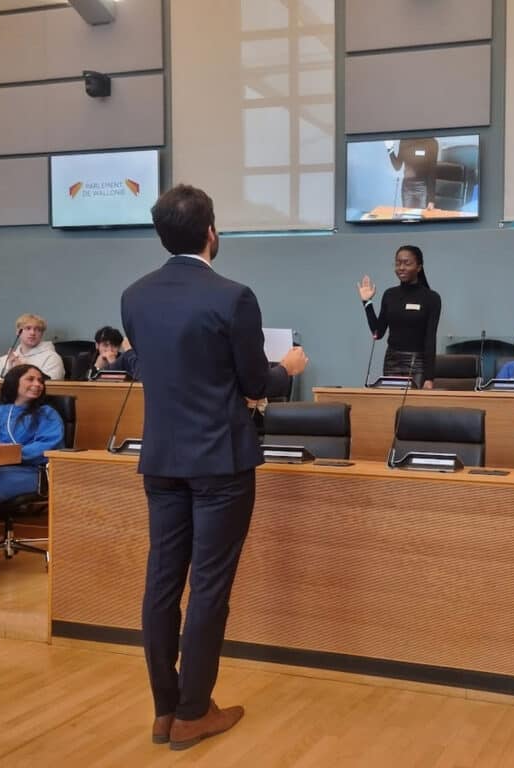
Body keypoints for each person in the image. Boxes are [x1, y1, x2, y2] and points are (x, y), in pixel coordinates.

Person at [121, 184, 308, 750]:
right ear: (210, 232)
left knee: (161, 582)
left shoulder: (134, 296)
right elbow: (254, 382)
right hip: (220, 464)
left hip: (161, 459)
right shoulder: (233, 297)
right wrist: (288, 368)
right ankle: (193, 711)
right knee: (208, 586)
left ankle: (164, 710)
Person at [0, 365, 65, 528]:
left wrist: (9, 454)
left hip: (31, 472)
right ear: (14, 382)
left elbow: (48, 447)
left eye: (40, 381)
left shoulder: (47, 414)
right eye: (30, 379)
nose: (37, 384)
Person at [358, 245, 442, 389]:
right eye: (398, 263)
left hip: (417, 363)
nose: (401, 268)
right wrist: (367, 302)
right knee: (391, 402)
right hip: (392, 361)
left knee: (414, 403)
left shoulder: (431, 298)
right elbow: (377, 333)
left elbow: (430, 339)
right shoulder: (389, 295)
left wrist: (429, 378)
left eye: (407, 263)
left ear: (419, 267)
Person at [0, 313, 65, 381]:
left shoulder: (51, 358)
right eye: (28, 328)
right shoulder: (4, 360)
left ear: (42, 334)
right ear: (18, 332)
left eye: (37, 330)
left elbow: (51, 386)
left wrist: (22, 370)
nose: (32, 333)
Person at [386, 138, 439, 210]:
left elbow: (432, 172)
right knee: (407, 215)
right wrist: (390, 149)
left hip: (423, 187)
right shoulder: (404, 141)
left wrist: (431, 199)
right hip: (407, 188)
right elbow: (397, 166)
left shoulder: (432, 143)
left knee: (421, 215)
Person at [72, 326, 141, 381]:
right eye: (105, 345)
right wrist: (96, 367)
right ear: (97, 345)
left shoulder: (125, 360)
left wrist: (114, 364)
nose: (109, 350)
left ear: (119, 347)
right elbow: (76, 385)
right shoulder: (83, 359)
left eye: (114, 345)